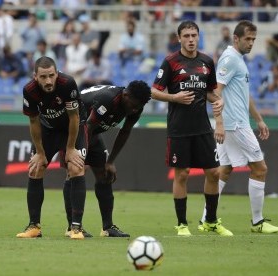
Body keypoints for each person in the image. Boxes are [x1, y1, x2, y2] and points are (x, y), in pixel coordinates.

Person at [151, 20, 233, 237]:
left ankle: (211, 221)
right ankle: (182, 224)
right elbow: (154, 91)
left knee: (214, 172)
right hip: (179, 128)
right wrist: (174, 97)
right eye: (186, 36)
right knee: (182, 174)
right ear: (179, 38)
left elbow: (211, 92)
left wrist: (219, 103)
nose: (190, 40)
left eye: (193, 36)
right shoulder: (170, 62)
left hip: (203, 127)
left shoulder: (207, 61)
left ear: (198, 37)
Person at [198, 20, 278, 234]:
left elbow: (244, 94)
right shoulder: (230, 59)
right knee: (260, 169)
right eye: (247, 39)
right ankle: (258, 222)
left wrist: (259, 119)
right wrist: (220, 124)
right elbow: (215, 91)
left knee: (224, 169)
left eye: (254, 39)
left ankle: (206, 218)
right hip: (234, 125)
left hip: (236, 123)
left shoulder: (239, 60)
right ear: (236, 38)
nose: (251, 43)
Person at [63, 81, 152, 238]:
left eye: (139, 106)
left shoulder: (136, 106)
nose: (135, 109)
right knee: (75, 171)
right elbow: (87, 127)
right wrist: (81, 155)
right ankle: (72, 226)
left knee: (104, 175)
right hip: (72, 127)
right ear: (126, 95)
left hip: (91, 130)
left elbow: (125, 132)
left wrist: (110, 161)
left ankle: (108, 227)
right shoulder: (108, 99)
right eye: (134, 105)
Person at [16, 56, 88, 240]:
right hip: (48, 128)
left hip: (73, 127)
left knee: (75, 167)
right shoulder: (29, 91)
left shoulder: (67, 83)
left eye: (51, 75)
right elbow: (33, 121)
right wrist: (40, 153)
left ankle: (76, 228)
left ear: (57, 73)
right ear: (35, 77)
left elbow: (74, 118)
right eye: (43, 77)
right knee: (35, 168)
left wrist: (70, 148)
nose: (48, 81)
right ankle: (34, 226)